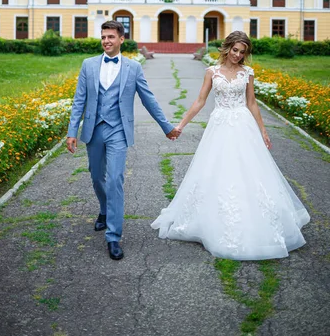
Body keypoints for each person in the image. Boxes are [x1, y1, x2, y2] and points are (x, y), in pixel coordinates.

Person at [151, 31, 310, 260]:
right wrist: (181, 125)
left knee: (250, 171)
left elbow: (252, 103)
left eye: (242, 52)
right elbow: (200, 101)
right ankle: (210, 219)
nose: (237, 55)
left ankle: (257, 219)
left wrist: (263, 130)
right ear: (227, 49)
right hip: (220, 125)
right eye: (235, 50)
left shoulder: (247, 73)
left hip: (243, 125)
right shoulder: (211, 72)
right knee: (217, 170)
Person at [67, 20, 180, 260]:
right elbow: (79, 100)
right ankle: (104, 210)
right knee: (97, 176)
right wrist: (71, 131)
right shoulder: (88, 65)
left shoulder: (133, 68)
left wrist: (166, 127)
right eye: (103, 37)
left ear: (121, 40)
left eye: (110, 37)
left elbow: (148, 99)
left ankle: (113, 236)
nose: (106, 41)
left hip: (118, 130)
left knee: (115, 179)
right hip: (94, 129)